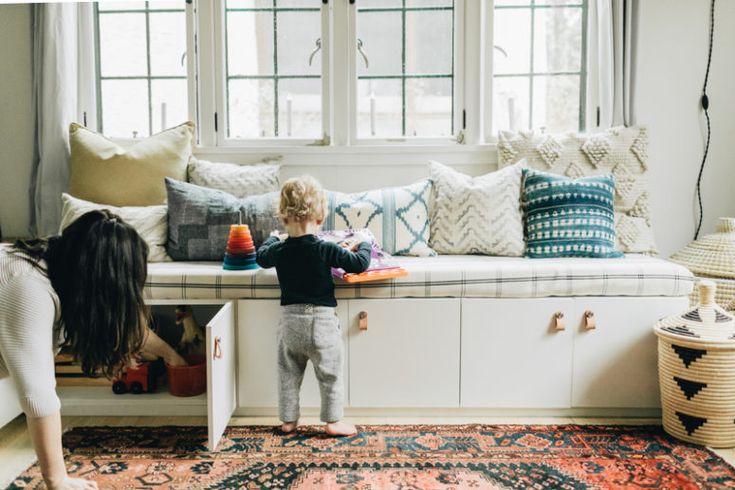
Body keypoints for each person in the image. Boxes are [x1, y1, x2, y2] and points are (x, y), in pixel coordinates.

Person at [0, 210, 186, 490]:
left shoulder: (59, 271)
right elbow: (38, 395)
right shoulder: (26, 287)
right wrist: (58, 480)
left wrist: (171, 354)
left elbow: (124, 325)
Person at [256, 176, 371, 436]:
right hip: (323, 323)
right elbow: (359, 263)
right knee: (330, 374)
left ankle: (288, 421)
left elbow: (261, 257)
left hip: (290, 324)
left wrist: (273, 239)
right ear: (320, 219)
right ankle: (333, 421)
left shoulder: (280, 250)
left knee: (288, 374)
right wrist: (363, 241)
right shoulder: (326, 249)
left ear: (284, 219)